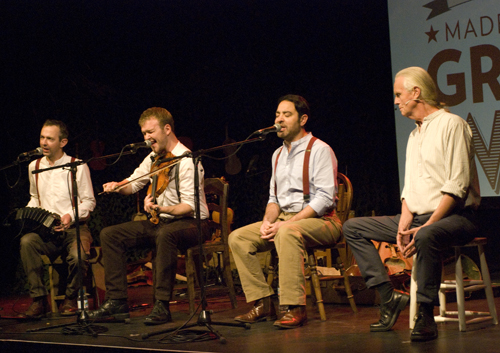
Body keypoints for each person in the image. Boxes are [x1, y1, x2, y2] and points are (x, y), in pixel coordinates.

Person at [343, 66, 480, 342]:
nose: (396, 101)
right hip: (419, 218)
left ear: (416, 93)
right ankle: (387, 296)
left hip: (456, 217)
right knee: (352, 227)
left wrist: (427, 224)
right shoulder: (414, 135)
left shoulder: (452, 124)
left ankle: (426, 316)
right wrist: (405, 217)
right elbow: (411, 186)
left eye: (398, 94)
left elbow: (457, 186)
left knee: (428, 235)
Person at [88, 107, 210, 325]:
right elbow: (135, 182)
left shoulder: (187, 160)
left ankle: (162, 305)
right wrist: (118, 186)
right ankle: (117, 302)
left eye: (150, 132)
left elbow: (190, 207)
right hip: (162, 221)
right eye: (144, 133)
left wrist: (160, 209)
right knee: (110, 235)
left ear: (167, 129)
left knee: (165, 234)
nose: (146, 138)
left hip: (193, 224)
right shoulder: (154, 158)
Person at [228, 95, 342, 329]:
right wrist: (267, 222)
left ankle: (294, 307)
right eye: (277, 114)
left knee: (287, 232)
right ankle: (263, 302)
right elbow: (274, 199)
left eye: (286, 115)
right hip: (285, 220)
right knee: (238, 237)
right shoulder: (277, 155)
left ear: (303, 119)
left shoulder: (320, 150)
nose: (279, 119)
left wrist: (285, 224)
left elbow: (324, 199)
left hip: (322, 221)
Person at [20, 119, 96, 318]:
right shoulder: (33, 166)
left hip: (74, 229)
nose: (44, 142)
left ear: (62, 142)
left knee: (79, 255)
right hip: (46, 231)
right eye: (42, 137)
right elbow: (35, 197)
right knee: (27, 242)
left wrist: (70, 216)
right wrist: (29, 214)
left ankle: (70, 298)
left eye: (50, 139)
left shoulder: (77, 166)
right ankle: (39, 300)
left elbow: (89, 201)